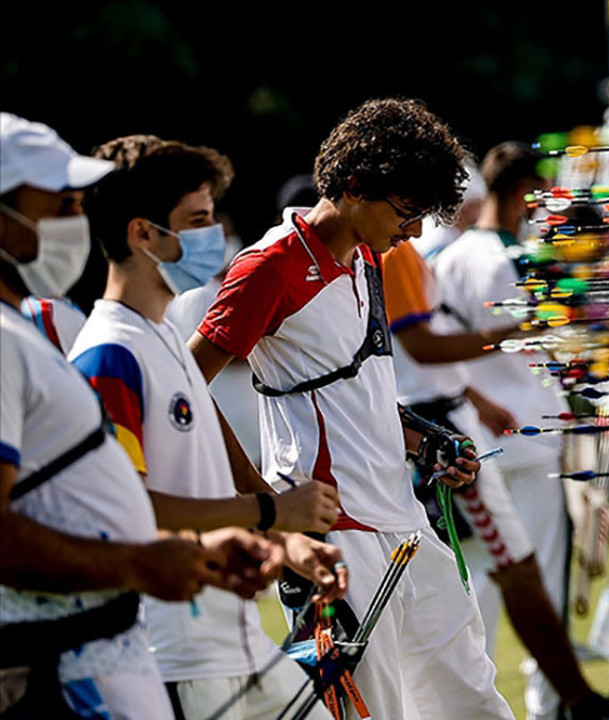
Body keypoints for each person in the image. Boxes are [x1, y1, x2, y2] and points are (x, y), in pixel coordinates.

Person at [189, 98, 513, 719]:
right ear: (355, 186)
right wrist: (268, 508)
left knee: (474, 702)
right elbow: (179, 388)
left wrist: (428, 440)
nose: (415, 232)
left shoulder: (368, 255)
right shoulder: (268, 266)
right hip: (334, 541)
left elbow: (356, 391)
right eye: (407, 211)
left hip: (406, 522)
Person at [0, 113, 281, 718]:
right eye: (59, 202)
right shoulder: (56, 345)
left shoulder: (23, 334)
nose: (76, 220)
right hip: (77, 664)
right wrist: (140, 559)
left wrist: (224, 538)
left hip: (123, 647)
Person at [71, 134, 348, 719]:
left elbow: (204, 485)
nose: (213, 235)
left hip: (240, 642)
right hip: (174, 658)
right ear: (141, 234)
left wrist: (290, 546)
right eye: (196, 221)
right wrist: (272, 514)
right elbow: (128, 509)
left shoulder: (168, 337)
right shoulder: (108, 356)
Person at [384, 235, 609, 720]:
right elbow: (420, 349)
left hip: (445, 421)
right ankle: (580, 704)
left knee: (506, 573)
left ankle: (580, 703)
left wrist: (476, 401)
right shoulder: (393, 251)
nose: (419, 222)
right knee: (504, 574)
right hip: (434, 431)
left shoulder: (401, 248)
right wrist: (514, 332)